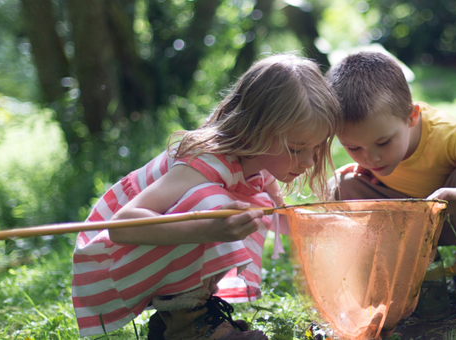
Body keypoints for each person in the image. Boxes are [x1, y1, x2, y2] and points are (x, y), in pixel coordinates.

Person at [72, 54, 342, 340]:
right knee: (216, 206)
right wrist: (209, 228)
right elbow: (121, 225)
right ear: (257, 130)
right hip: (107, 263)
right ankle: (186, 326)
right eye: (297, 149)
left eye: (315, 148)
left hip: (140, 258)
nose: (309, 162)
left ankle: (185, 318)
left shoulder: (258, 164)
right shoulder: (205, 163)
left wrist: (325, 226)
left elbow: (282, 217)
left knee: (247, 208)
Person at [326, 52, 456, 305]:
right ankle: (406, 267)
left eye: (383, 142)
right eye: (354, 148)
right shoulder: (373, 150)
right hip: (409, 222)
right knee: (341, 185)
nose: (371, 158)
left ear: (412, 116)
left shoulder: (447, 134)